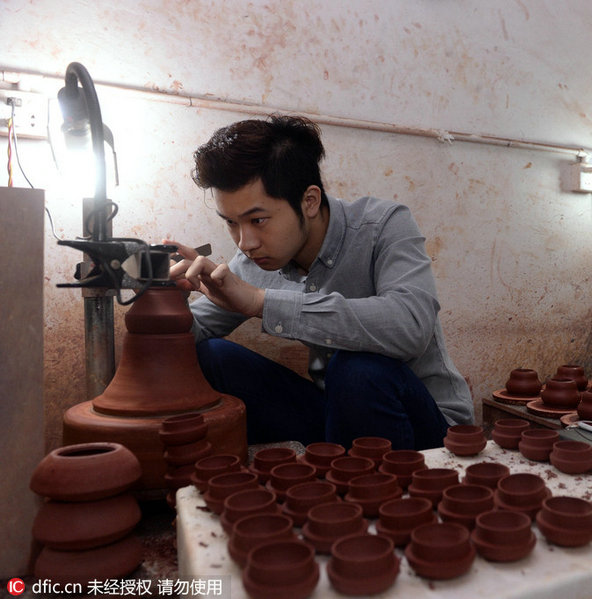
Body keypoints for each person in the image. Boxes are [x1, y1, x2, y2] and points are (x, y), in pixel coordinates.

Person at [166, 115, 474, 451]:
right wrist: (170, 301)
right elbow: (193, 337)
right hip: (339, 416)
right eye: (231, 223)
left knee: (357, 368)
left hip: (431, 430)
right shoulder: (252, 261)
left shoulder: (383, 226)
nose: (245, 242)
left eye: (258, 220)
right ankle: (320, 478)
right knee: (212, 355)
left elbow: (410, 326)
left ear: (309, 201)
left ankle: (372, 496)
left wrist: (261, 303)